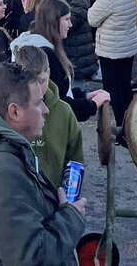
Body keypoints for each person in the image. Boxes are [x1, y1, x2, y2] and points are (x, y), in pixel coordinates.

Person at [0, 63, 86, 266]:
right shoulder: (1, 172)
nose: (46, 110)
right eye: (38, 103)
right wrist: (71, 217)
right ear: (15, 112)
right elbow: (31, 257)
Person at [11, 0, 108, 122]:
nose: (70, 24)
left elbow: (60, 91)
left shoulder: (36, 46)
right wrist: (92, 105)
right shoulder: (45, 54)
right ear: (54, 22)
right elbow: (57, 103)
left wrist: (84, 96)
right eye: (67, 19)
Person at [12, 44, 84, 188]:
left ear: (49, 73)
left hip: (55, 199)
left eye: (41, 81)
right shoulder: (10, 112)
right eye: (31, 82)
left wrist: (69, 201)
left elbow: (75, 162)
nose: (37, 88)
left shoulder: (64, 112)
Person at [88, 0, 137, 127]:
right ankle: (130, 122)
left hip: (111, 49)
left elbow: (92, 19)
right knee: (125, 86)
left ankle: (117, 126)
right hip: (129, 45)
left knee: (112, 90)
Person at [49, 0, 98, 82]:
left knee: (77, 82)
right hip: (71, 41)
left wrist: (58, 27)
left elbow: (77, 14)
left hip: (77, 40)